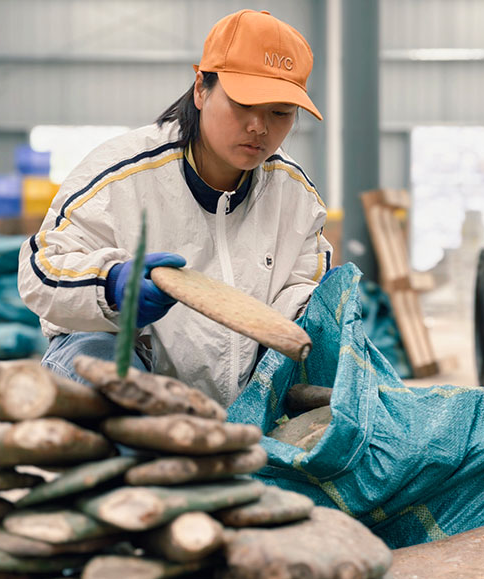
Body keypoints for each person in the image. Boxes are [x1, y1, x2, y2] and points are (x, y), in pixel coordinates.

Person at [18, 9, 332, 408]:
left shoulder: (295, 197)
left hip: (238, 391)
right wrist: (110, 283)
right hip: (121, 362)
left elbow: (298, 295)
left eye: (280, 113)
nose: (259, 127)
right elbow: (39, 269)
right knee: (106, 382)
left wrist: (320, 311)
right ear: (201, 88)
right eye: (243, 104)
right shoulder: (123, 174)